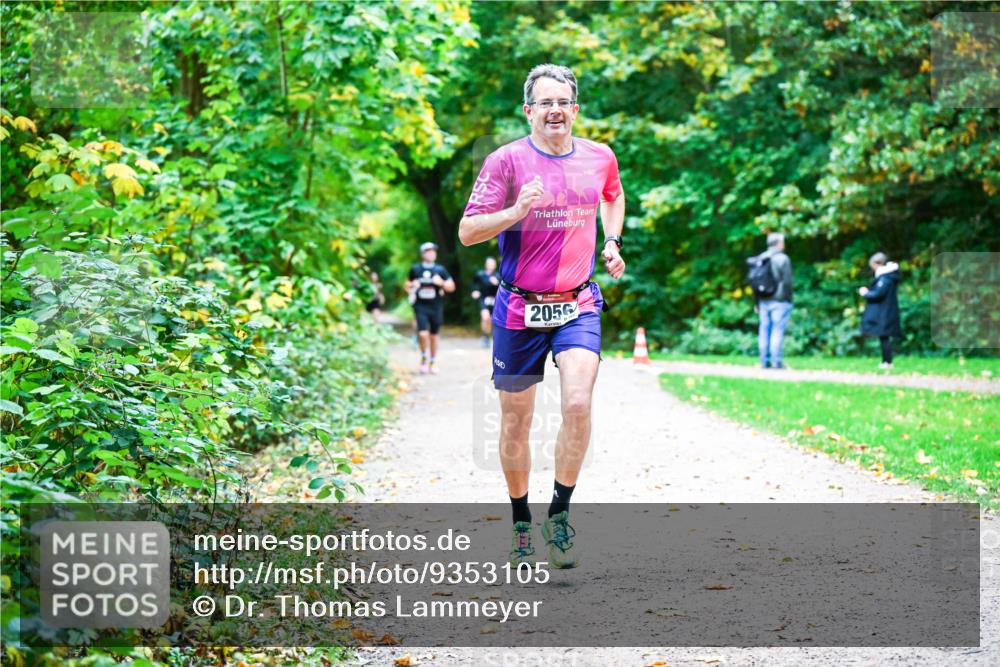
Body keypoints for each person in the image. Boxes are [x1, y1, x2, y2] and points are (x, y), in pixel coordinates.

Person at [458, 63, 626, 569]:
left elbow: (612, 196)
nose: (555, 111)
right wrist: (514, 213)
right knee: (516, 421)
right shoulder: (505, 162)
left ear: (575, 109)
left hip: (577, 302)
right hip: (518, 306)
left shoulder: (599, 157)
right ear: (528, 110)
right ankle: (520, 523)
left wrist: (612, 241)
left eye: (564, 102)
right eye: (545, 103)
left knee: (577, 402)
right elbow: (468, 232)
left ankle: (559, 514)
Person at [405, 242, 455, 374]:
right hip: (420, 306)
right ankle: (423, 358)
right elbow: (407, 284)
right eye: (428, 251)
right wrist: (411, 285)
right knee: (422, 333)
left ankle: (432, 362)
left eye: (433, 251)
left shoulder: (440, 270)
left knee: (434, 335)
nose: (431, 253)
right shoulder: (415, 269)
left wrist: (442, 283)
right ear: (423, 254)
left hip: (436, 306)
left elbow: (452, 287)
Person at [752, 232, 794, 369]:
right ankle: (777, 363)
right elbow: (787, 282)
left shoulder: (761, 258)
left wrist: (756, 302)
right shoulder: (783, 259)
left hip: (763, 300)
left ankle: (764, 362)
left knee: (764, 330)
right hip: (780, 301)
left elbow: (755, 282)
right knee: (777, 330)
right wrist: (788, 299)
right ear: (779, 243)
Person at [859, 252, 901, 369]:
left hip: (885, 313)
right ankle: (886, 361)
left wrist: (866, 293)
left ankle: (887, 362)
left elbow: (878, 294)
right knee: (884, 337)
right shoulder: (887, 277)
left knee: (884, 337)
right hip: (885, 312)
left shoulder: (885, 279)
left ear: (877, 264)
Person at [471, 257, 500, 348]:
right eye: (489, 264)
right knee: (485, 317)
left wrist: (497, 283)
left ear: (495, 265)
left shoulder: (498, 276)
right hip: (483, 299)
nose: (491, 265)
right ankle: (485, 337)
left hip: (495, 300)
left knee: (491, 320)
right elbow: (474, 285)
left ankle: (488, 336)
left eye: (493, 264)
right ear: (486, 265)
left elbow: (504, 289)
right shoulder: (480, 275)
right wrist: (475, 291)